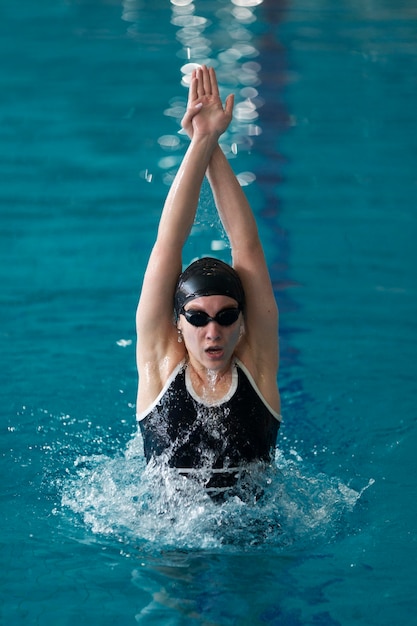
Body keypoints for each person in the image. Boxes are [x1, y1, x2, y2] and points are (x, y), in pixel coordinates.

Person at [135, 65, 281, 501]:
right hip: (171, 541)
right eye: (197, 318)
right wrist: (203, 141)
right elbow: (168, 243)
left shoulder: (256, 366)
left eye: (226, 316)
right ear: (177, 323)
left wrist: (208, 139)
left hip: (256, 538)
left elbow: (247, 248)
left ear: (243, 322)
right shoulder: (161, 366)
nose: (212, 331)